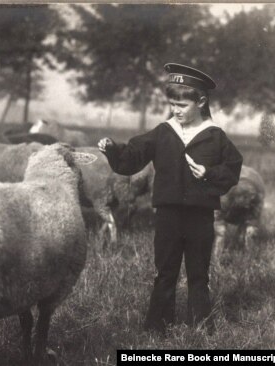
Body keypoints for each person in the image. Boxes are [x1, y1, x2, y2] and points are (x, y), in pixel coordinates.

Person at [98, 63, 243, 334]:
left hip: (200, 216)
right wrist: (112, 149)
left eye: (182, 105)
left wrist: (209, 174)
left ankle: (200, 326)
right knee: (165, 272)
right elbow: (132, 156)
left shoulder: (215, 136)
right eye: (172, 104)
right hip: (168, 215)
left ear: (200, 101)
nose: (175, 110)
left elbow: (233, 168)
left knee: (199, 273)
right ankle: (157, 326)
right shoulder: (163, 132)